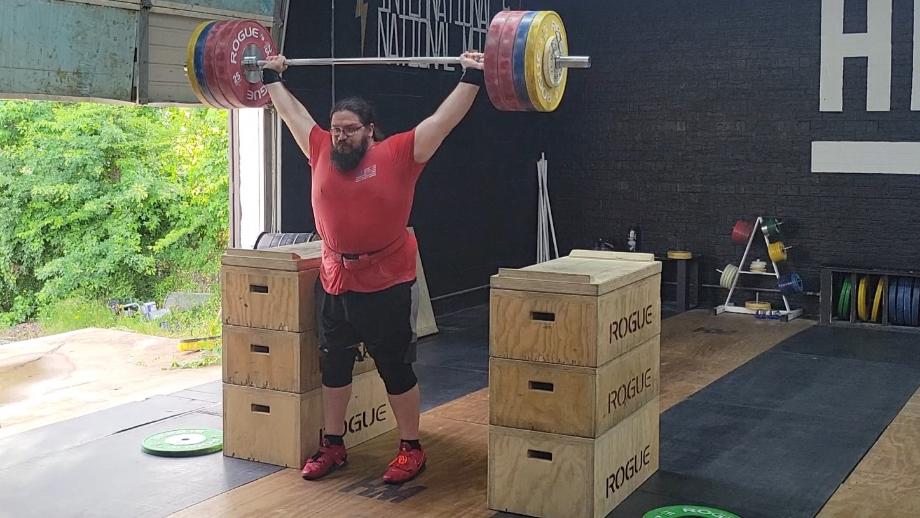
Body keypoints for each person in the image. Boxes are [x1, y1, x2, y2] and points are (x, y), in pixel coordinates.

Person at [261, 51, 485, 484]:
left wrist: (471, 76)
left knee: (394, 367)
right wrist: (272, 76)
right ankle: (333, 444)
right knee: (334, 366)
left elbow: (443, 121)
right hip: (336, 279)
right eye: (336, 129)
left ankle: (411, 448)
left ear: (369, 130)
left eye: (350, 129)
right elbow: (292, 112)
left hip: (387, 280)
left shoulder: (399, 153)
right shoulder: (320, 147)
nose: (341, 136)